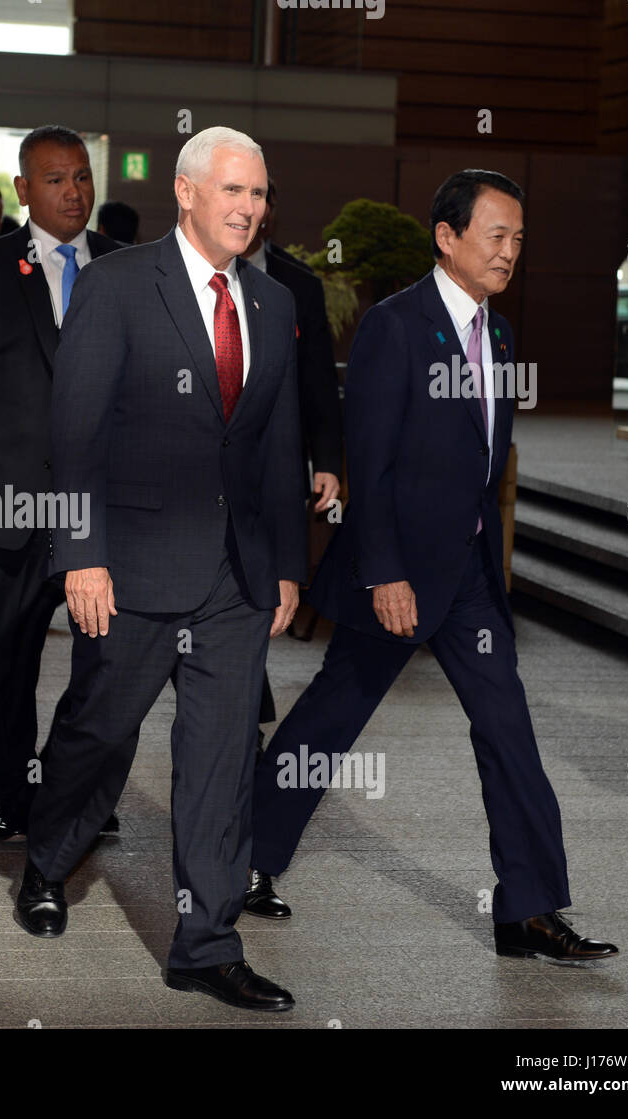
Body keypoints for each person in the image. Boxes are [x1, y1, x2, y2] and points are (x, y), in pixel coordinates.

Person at [246, 169, 618, 966]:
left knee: (508, 730)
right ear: (446, 238)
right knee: (329, 720)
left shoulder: (502, 336)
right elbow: (369, 459)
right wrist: (384, 573)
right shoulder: (395, 327)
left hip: (471, 576)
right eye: (496, 235)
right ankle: (249, 857)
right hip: (400, 574)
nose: (510, 252)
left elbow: (483, 467)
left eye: (520, 238)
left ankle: (531, 908)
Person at [14, 126, 306, 1014]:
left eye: (258, 193)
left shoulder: (273, 305)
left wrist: (287, 567)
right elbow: (77, 432)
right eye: (232, 191)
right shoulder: (115, 285)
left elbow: (277, 445)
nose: (248, 209)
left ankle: (207, 943)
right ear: (186, 193)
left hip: (234, 578)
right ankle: (46, 861)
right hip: (131, 566)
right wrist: (83, 555)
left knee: (220, 761)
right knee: (99, 732)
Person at [0, 125, 121, 841]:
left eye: (82, 177)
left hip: (103, 515)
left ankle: (71, 782)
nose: (74, 191)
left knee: (106, 666)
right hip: (9, 507)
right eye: (57, 179)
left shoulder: (128, 269)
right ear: (23, 190)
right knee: (6, 661)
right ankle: (14, 787)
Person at [241, 176, 343, 794]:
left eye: (263, 198)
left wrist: (325, 459)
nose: (255, 210)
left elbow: (318, 385)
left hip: (273, 471)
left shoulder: (298, 284)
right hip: (197, 477)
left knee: (258, 600)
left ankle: (243, 717)